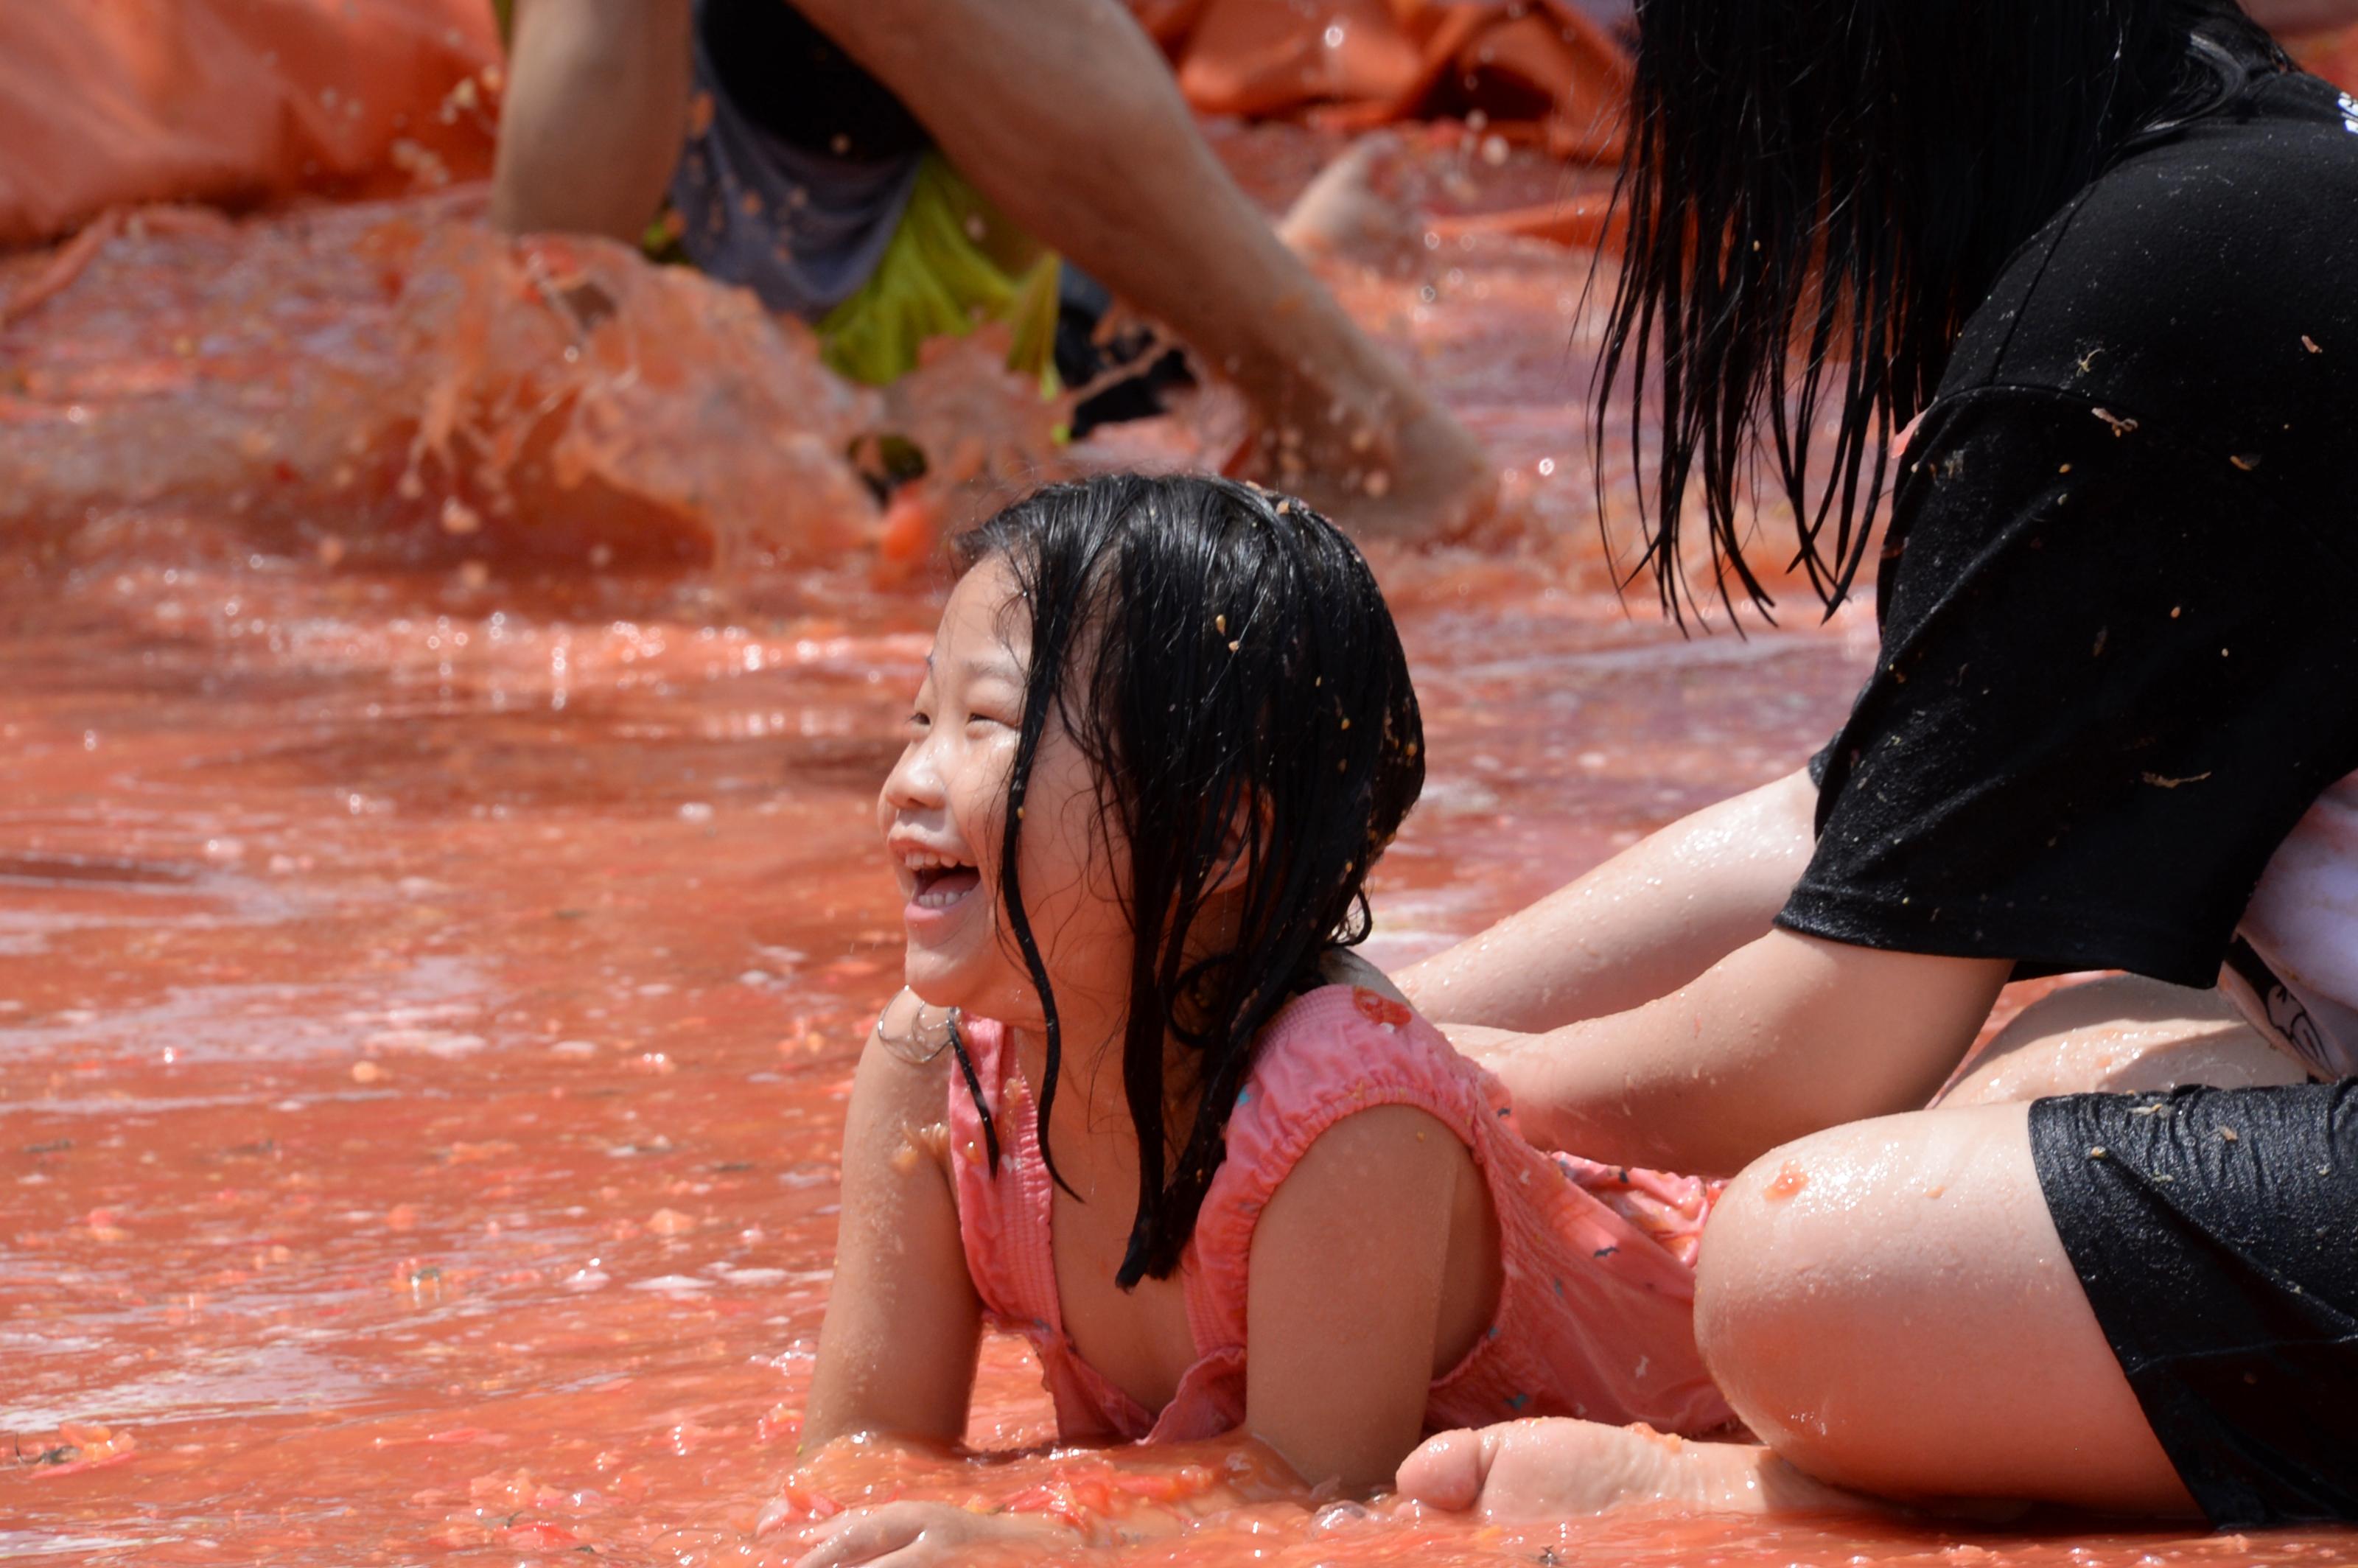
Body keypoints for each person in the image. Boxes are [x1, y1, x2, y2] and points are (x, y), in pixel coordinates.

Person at [1388, 0, 2358, 1531]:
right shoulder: (2229, 159)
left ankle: (1740, 1497)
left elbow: (1820, 1039)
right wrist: (1344, 997)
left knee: (1810, 1264)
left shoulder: (2143, 299)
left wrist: (1427, 1088)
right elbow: (1854, 836)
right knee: (2100, 1037)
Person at [788, 475, 1732, 1564]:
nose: (908, 779)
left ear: (1218, 836)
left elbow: (1314, 1504)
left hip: (1753, 1365)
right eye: (921, 719)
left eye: (984, 722)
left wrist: (1032, 1541)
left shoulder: (1344, 1107)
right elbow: (864, 1446)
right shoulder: (934, 1070)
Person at [488, 0, 1494, 535]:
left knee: (1011, 424)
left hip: (945, 258)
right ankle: (1292, 276)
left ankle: (1327, 366)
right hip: (758, 279)